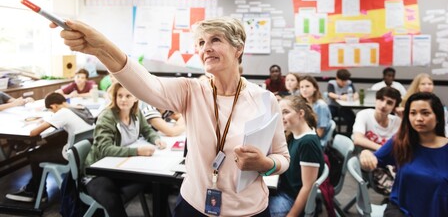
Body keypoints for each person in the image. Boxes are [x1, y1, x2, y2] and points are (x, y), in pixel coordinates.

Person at [54, 17, 290, 216]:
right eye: (201, 42)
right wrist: (100, 48)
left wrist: (266, 164)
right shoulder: (192, 90)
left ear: (239, 49)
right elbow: (145, 84)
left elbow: (283, 157)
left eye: (215, 39)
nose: (205, 47)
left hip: (250, 210)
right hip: (195, 205)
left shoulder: (265, 100)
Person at [360, 92, 448, 216]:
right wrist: (365, 154)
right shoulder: (401, 142)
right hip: (400, 211)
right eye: (413, 113)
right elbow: (372, 162)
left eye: (425, 113)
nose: (418, 118)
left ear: (438, 117)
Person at [83, 82, 167, 217]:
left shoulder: (136, 113)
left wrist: (156, 139)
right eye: (120, 95)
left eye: (128, 96)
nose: (123, 99)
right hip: (98, 172)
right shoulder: (107, 117)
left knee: (160, 182)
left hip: (121, 167)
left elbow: (147, 130)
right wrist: (137, 151)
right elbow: (105, 149)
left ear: (136, 98)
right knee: (112, 200)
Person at [5, 92, 94, 203]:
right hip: (86, 151)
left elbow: (33, 133)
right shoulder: (81, 108)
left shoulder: (63, 112)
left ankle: (37, 193)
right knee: (50, 144)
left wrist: (42, 122)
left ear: (54, 106)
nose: (53, 113)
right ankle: (32, 187)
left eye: (52, 111)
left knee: (34, 155)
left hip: (72, 155)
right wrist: (48, 120)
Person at [270, 95, 324, 217]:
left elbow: (307, 187)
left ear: (301, 113)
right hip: (282, 190)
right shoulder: (293, 134)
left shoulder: (307, 143)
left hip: (291, 198)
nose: (281, 117)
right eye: (279, 112)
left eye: (286, 112)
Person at [299, 75, 332, 146]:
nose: (304, 89)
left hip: (316, 142)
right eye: (301, 87)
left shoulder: (321, 106)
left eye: (307, 86)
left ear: (315, 88)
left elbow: (319, 133)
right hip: (309, 137)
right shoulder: (306, 104)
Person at [327, 68, 358, 136]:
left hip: (345, 107)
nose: (344, 83)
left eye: (345, 81)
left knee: (352, 118)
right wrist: (340, 97)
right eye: (342, 81)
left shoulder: (349, 83)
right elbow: (330, 94)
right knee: (328, 117)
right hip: (333, 106)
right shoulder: (331, 83)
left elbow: (355, 93)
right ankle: (333, 135)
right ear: (337, 78)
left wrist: (354, 97)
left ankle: (348, 134)